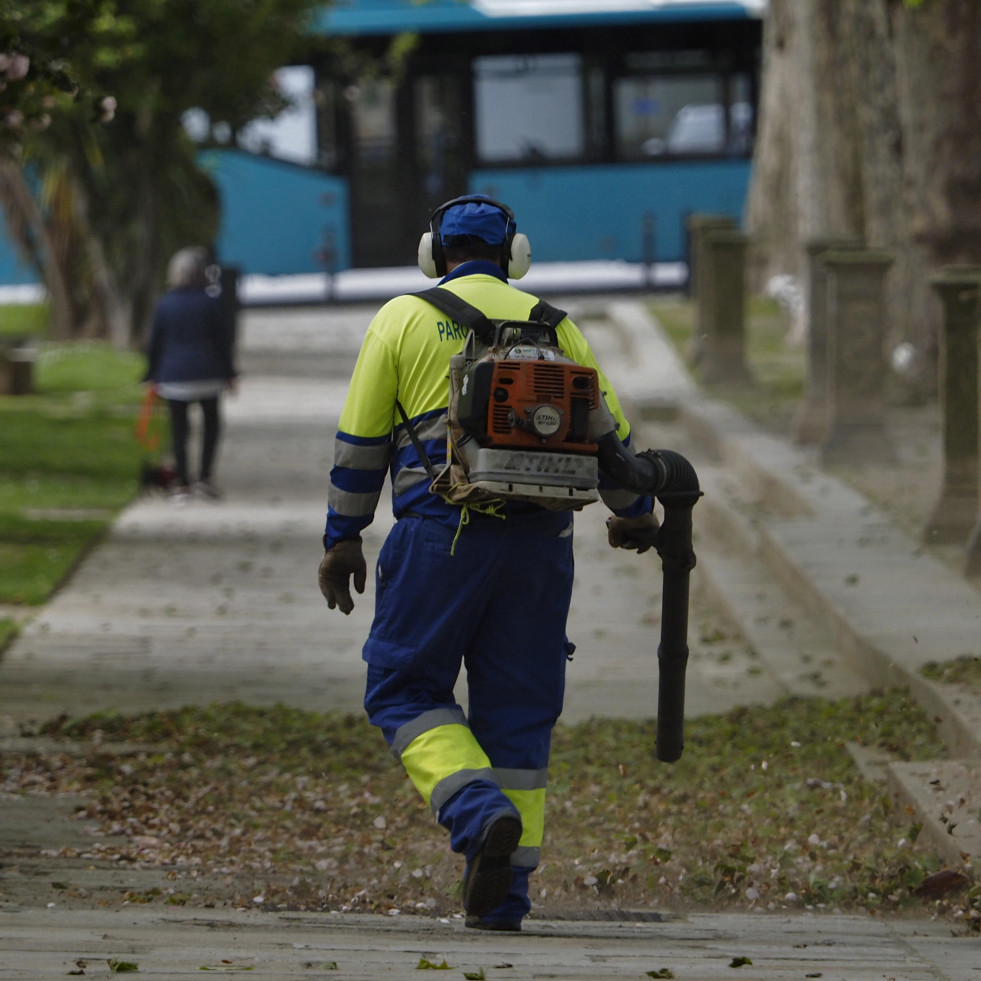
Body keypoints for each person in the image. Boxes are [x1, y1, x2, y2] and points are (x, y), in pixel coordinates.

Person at [318, 195, 657, 930]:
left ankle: (476, 812)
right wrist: (637, 517)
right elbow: (614, 443)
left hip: (440, 536)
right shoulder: (556, 326)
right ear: (516, 256)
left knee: (404, 688)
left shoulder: (401, 319)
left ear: (431, 253)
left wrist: (342, 536)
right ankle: (504, 899)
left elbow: (359, 442)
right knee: (519, 713)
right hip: (540, 547)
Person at [144, 246, 237, 504]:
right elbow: (223, 342)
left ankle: (182, 483)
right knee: (211, 425)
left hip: (173, 377)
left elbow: (155, 344)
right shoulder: (213, 303)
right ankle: (205, 477)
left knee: (179, 430)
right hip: (208, 374)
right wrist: (230, 374)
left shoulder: (164, 304)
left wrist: (151, 375)